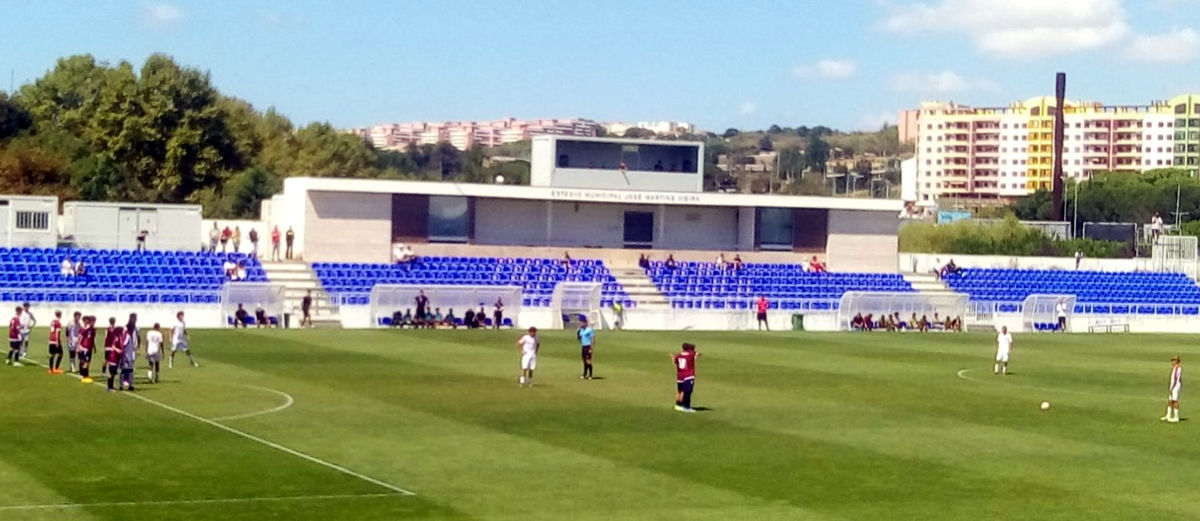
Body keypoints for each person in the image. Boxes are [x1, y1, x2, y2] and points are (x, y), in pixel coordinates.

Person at [672, 342, 700, 413]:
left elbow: (674, 362)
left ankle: (678, 405)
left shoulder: (678, 356)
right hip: (688, 375)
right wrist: (693, 350)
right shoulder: (691, 355)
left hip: (680, 376)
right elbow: (698, 354)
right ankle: (686, 406)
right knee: (687, 391)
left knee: (680, 391)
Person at [120, 313, 139, 391]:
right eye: (134, 318)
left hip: (132, 349)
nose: (135, 320)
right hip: (127, 350)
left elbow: (137, 337)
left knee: (131, 368)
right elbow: (123, 341)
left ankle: (130, 384)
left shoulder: (136, 328)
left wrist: (137, 348)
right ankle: (122, 383)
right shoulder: (126, 328)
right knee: (125, 367)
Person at [1162, 356, 1183, 424]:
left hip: (1175, 386)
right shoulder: (1174, 368)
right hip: (1173, 386)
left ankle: (1176, 417)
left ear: (1177, 361)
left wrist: (1172, 388)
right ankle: (1168, 416)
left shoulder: (1178, 368)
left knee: (1175, 401)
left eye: (1174, 360)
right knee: (1170, 400)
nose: (1172, 362)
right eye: (1172, 360)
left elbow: (1176, 379)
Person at [104, 325, 124, 392]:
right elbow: (113, 346)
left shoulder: (119, 338)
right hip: (113, 357)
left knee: (114, 372)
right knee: (111, 372)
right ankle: (109, 387)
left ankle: (111, 386)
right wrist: (118, 350)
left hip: (117, 357)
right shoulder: (116, 338)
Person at [78, 316, 97, 383]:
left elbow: (92, 339)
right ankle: (84, 376)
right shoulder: (86, 329)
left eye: (94, 321)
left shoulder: (93, 329)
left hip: (89, 348)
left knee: (87, 362)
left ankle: (86, 375)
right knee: (85, 362)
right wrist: (78, 346)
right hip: (85, 347)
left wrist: (94, 347)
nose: (93, 323)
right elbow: (80, 337)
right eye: (92, 321)